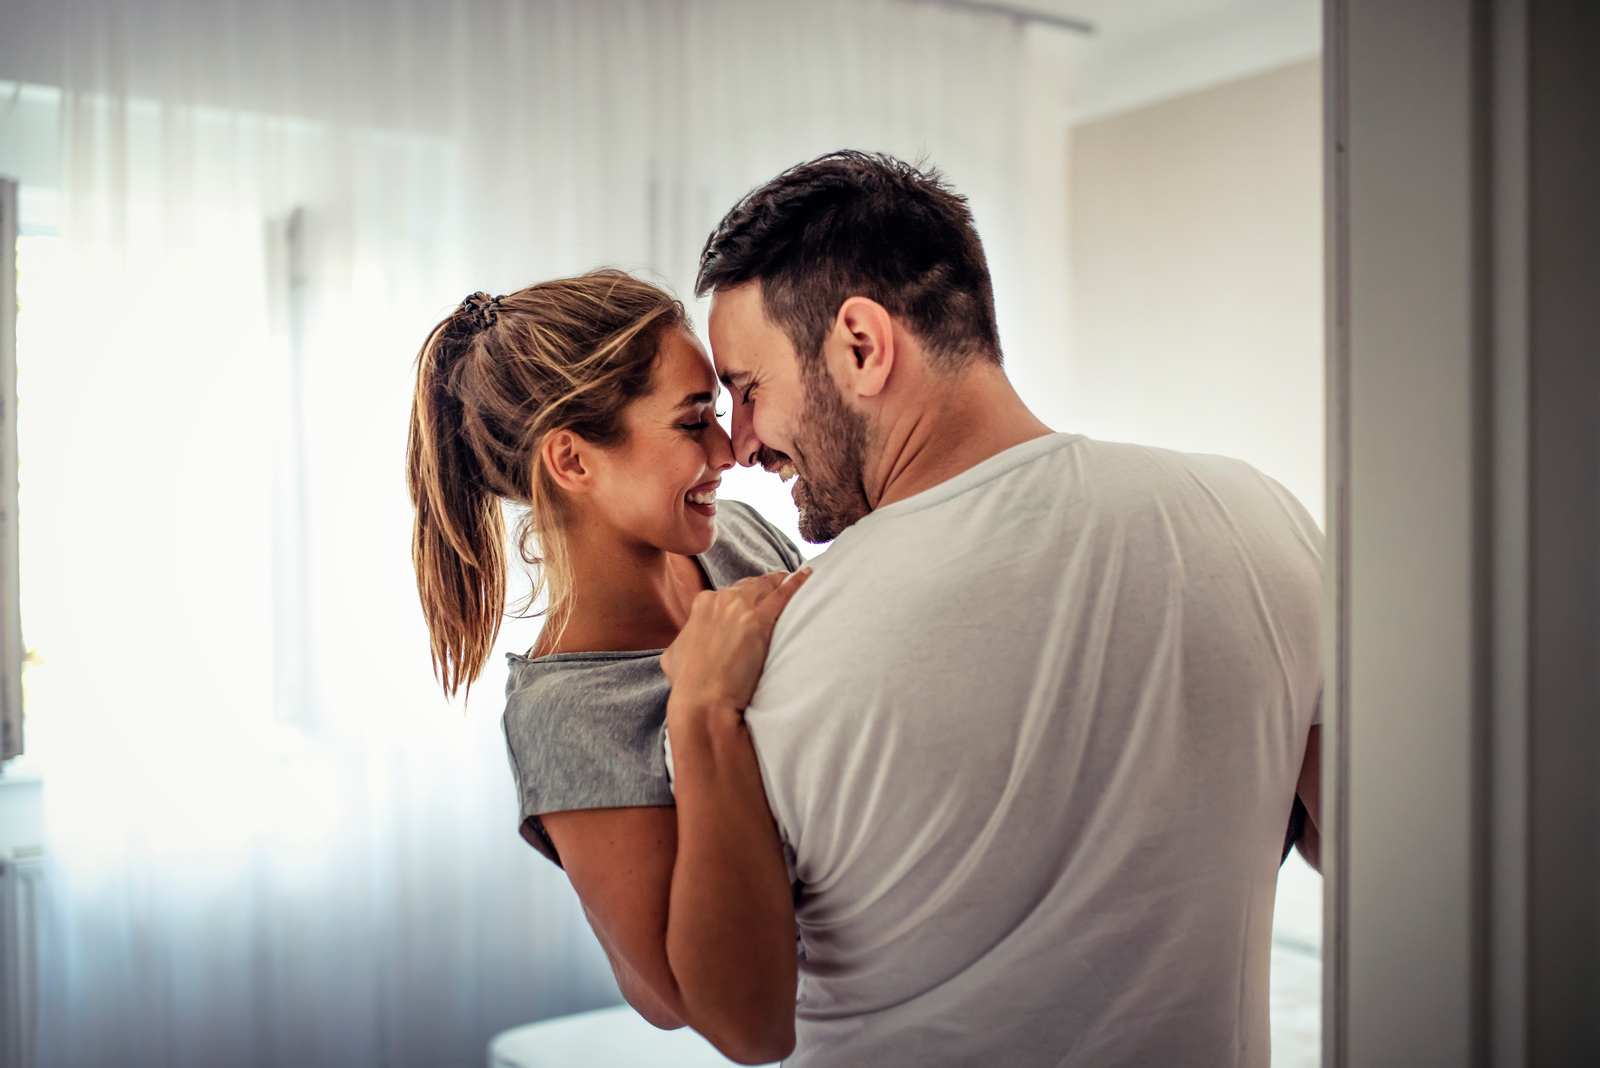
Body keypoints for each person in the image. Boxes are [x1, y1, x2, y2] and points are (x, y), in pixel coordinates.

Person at [695, 151, 1324, 1067]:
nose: (741, 442)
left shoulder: (785, 637)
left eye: (749, 391)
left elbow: (734, 1013)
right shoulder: (1261, 519)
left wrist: (698, 711)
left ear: (861, 346)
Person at [405, 272, 807, 1064]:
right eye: (694, 422)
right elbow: (728, 1020)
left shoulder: (739, 540)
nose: (730, 450)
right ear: (573, 461)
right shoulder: (568, 712)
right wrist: (698, 709)